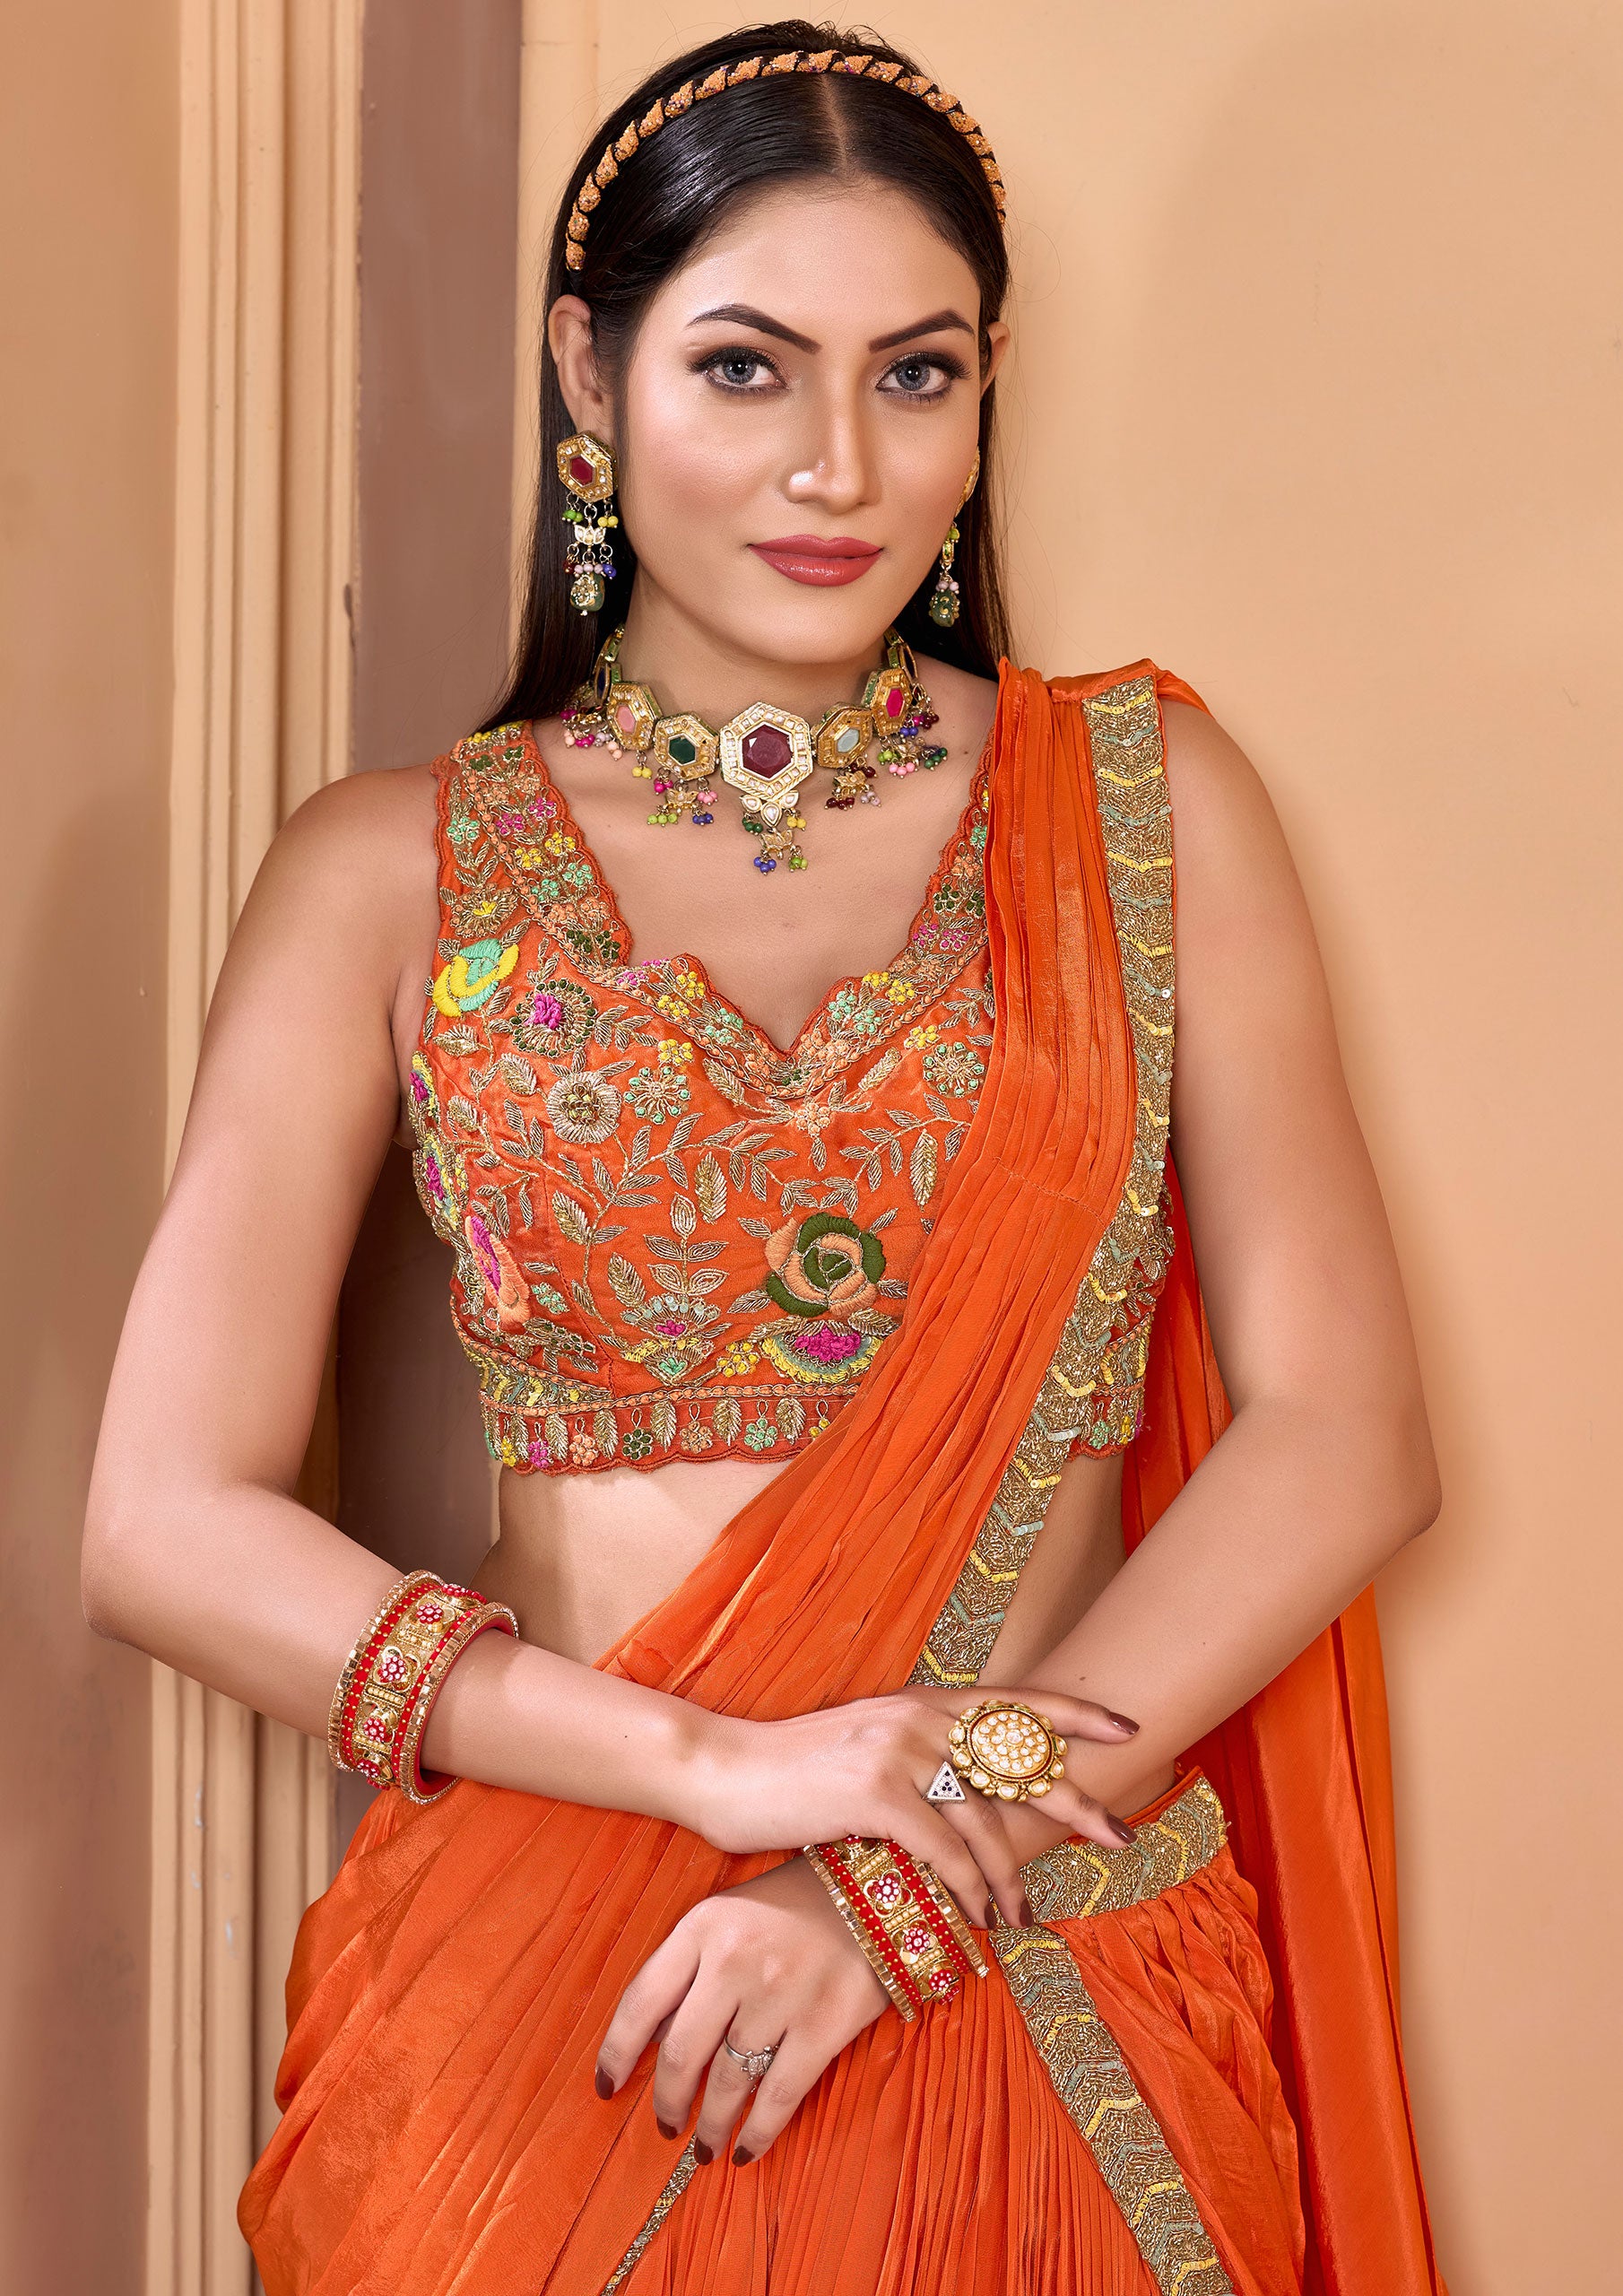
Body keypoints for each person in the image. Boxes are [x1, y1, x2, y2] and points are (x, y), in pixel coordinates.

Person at [83, 22, 1450, 2295]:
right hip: (565, 1993)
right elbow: (159, 1518)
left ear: (986, 387)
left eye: (914, 376)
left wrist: (901, 1863)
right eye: (743, 368)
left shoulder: (1138, 814)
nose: (838, 464)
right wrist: (715, 1772)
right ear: (585, 374)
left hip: (1016, 1939)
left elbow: (1343, 1436)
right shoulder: (392, 872)